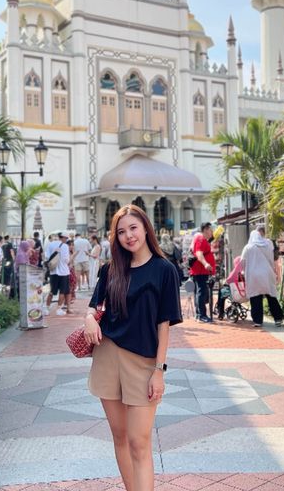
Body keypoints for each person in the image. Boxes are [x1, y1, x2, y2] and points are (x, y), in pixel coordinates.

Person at [84, 204, 182, 491]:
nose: (128, 236)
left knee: (140, 442)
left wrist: (159, 371)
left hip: (143, 362)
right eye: (121, 231)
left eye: (133, 228)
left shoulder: (165, 270)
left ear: (145, 228)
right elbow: (93, 308)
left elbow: (164, 325)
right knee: (120, 437)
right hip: (107, 356)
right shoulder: (110, 269)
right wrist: (89, 319)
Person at [240, 225, 283, 327]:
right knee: (271, 296)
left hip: (253, 275)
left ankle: (258, 321)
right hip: (267, 274)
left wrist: (244, 271)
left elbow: (242, 262)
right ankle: (278, 318)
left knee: (255, 298)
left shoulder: (248, 247)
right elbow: (274, 256)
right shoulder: (268, 244)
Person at [189, 222, 215, 323]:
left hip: (200, 270)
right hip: (200, 270)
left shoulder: (202, 239)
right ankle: (201, 315)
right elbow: (199, 253)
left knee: (199, 292)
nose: (211, 231)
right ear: (205, 230)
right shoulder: (201, 238)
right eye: (210, 229)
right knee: (201, 292)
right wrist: (205, 264)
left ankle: (199, 314)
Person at [44, 231, 71, 315]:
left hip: (53, 271)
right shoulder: (65, 246)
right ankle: (59, 309)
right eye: (66, 238)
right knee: (62, 291)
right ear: (63, 237)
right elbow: (67, 260)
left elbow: (47, 257)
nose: (66, 240)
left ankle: (46, 308)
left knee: (52, 291)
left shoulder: (50, 244)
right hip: (64, 272)